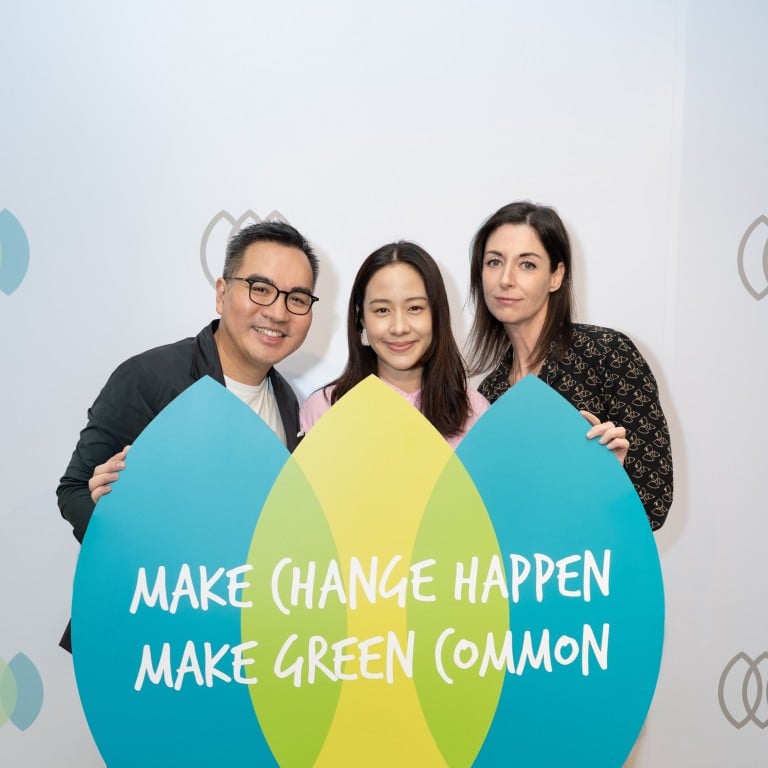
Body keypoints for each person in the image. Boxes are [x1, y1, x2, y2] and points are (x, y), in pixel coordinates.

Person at [57, 220, 319, 650]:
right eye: (260, 288)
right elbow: (75, 491)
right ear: (221, 292)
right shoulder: (149, 378)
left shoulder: (290, 402)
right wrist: (117, 522)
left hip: (235, 643)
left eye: (297, 298)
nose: (277, 311)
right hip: (146, 640)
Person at [466, 201, 673, 530]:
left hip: (597, 574)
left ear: (556, 276)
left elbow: (653, 504)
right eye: (494, 262)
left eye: (527, 265)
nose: (505, 279)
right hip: (522, 575)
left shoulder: (607, 354)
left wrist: (610, 474)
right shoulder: (489, 392)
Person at [300, 241, 488, 447]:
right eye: (382, 310)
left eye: (415, 308)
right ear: (360, 317)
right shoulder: (325, 409)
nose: (399, 328)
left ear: (437, 313)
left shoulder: (475, 412)